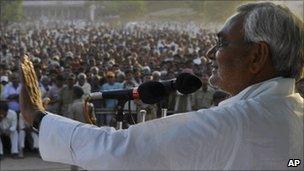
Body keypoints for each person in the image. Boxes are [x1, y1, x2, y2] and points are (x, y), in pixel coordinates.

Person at [20, 2, 303, 170]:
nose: (210, 54)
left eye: (221, 43)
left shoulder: (234, 124)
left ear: (256, 56)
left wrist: (37, 117)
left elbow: (120, 150)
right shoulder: (294, 113)